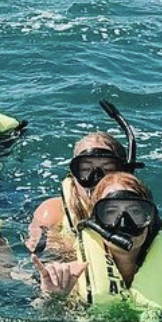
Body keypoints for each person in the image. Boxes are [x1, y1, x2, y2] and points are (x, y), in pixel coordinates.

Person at [34, 171, 162, 312]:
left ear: (150, 220)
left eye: (135, 212)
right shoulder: (73, 275)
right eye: (111, 212)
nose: (124, 223)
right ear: (95, 222)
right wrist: (53, 298)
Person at [27, 101, 139, 254]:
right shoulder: (52, 214)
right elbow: (36, 258)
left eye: (108, 170)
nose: (97, 179)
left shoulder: (138, 216)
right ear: (73, 174)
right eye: (86, 170)